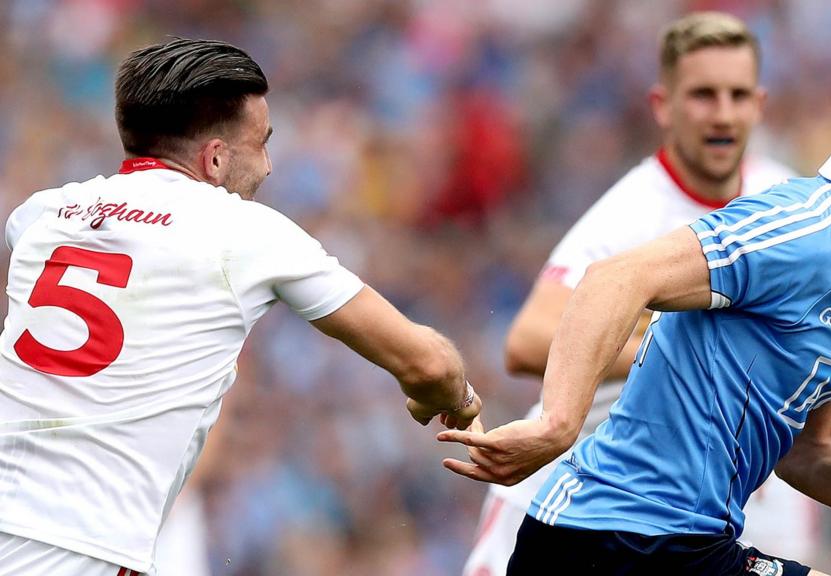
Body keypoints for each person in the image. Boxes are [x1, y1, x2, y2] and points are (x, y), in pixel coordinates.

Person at [441, 38, 831, 576]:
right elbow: (617, 277)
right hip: (609, 539)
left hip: (683, 542)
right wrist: (559, 426)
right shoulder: (805, 227)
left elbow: (803, 453)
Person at [0, 38, 481, 576]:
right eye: (263, 144)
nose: (271, 167)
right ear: (215, 158)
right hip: (77, 547)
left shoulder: (43, 213)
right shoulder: (244, 232)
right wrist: (450, 396)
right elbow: (429, 363)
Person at [461, 12, 820, 576]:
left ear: (759, 104)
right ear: (663, 106)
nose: (722, 113)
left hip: (710, 511)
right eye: (703, 95)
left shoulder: (788, 201)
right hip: (573, 509)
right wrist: (678, 354)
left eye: (737, 94)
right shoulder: (631, 215)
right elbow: (526, 341)